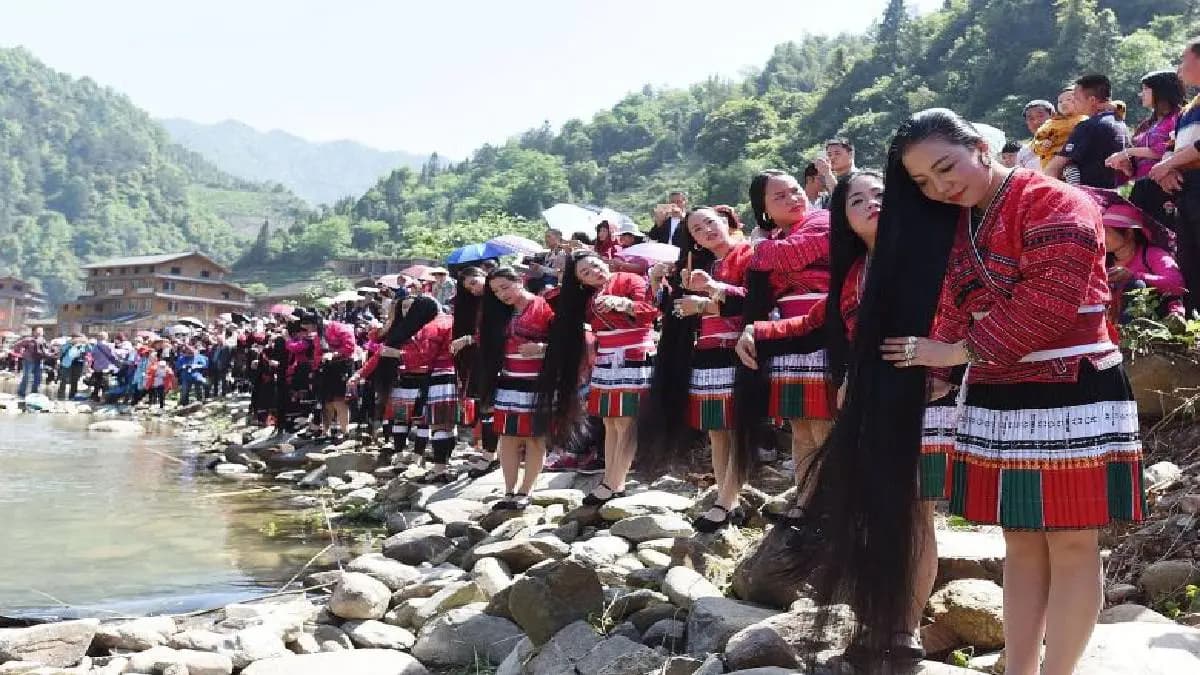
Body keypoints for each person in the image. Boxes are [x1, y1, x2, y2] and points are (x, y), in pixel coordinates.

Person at [865, 109, 1143, 675]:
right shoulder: (959, 220)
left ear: (980, 147)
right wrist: (935, 366)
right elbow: (951, 303)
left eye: (946, 167)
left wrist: (955, 353)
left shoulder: (1057, 201)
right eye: (923, 182)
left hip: (1072, 382)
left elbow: (1051, 300)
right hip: (1000, 388)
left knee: (1071, 543)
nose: (940, 187)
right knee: (1021, 543)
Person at [736, 170, 951, 661]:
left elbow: (960, 309)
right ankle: (881, 615)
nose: (873, 202)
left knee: (917, 514)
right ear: (843, 219)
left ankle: (904, 629)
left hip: (925, 400)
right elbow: (818, 319)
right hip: (871, 403)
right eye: (858, 199)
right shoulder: (855, 272)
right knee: (879, 513)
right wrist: (757, 331)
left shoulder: (930, 251)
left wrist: (949, 363)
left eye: (882, 194)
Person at [643, 205, 752, 531]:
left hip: (738, 349)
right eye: (697, 230)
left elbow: (757, 299)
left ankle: (726, 500)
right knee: (717, 432)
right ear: (695, 242)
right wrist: (655, 281)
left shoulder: (751, 254)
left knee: (734, 429)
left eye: (709, 223)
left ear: (726, 221)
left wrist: (706, 298)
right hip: (705, 352)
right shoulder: (700, 265)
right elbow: (675, 311)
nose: (706, 231)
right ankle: (727, 496)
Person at [736, 170, 832, 527]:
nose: (793, 197)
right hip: (786, 335)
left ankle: (827, 502)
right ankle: (805, 498)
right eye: (780, 196)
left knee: (824, 423)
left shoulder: (824, 220)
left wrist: (760, 249)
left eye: (794, 190)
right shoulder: (775, 238)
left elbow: (794, 255)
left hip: (823, 329)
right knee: (801, 426)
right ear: (765, 210)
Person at [538, 250, 658, 506]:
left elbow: (649, 310)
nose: (594, 271)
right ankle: (612, 478)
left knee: (625, 421)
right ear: (581, 281)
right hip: (606, 357)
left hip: (633, 352)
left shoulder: (629, 279)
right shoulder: (586, 297)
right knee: (610, 421)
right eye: (585, 272)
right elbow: (551, 302)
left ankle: (614, 482)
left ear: (603, 261)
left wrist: (624, 304)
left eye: (594, 264)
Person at [476, 267, 555, 510]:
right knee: (508, 437)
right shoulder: (501, 312)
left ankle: (526, 490)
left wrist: (541, 348)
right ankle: (509, 491)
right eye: (496, 291)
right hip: (509, 380)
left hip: (537, 381)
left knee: (534, 438)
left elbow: (566, 341)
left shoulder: (544, 306)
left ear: (520, 281)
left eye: (505, 287)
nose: (502, 294)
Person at [378, 296, 458, 482]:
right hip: (451, 375)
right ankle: (442, 466)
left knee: (437, 425)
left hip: (437, 376)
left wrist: (397, 354)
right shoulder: (451, 320)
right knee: (447, 425)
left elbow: (423, 356)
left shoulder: (431, 327)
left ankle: (439, 468)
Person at [1146, 38, 1200, 310]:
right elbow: (1171, 144)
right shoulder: (1191, 108)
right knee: (1189, 260)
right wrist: (1168, 168)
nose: (1180, 68)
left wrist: (1169, 165)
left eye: (1184, 59)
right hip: (1186, 189)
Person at [448, 267, 498, 478]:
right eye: (468, 287)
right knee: (486, 407)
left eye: (474, 282)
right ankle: (489, 453)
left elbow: (498, 331)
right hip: (483, 359)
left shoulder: (499, 299)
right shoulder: (477, 304)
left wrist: (469, 339)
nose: (473, 289)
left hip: (501, 358)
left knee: (493, 406)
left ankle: (492, 453)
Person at [1102, 199, 1186, 319]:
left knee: (1137, 284)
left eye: (1107, 232)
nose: (1101, 236)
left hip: (1154, 322)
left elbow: (1177, 284)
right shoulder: (1102, 260)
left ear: (1129, 233)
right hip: (1113, 326)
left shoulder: (1153, 255)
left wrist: (1133, 276)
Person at [1044, 74, 1131, 188]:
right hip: (1112, 195)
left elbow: (1053, 169)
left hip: (1088, 197)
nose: (1073, 101)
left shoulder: (1089, 126)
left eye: (1076, 98)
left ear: (1092, 100)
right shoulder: (1120, 124)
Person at [1106, 71, 1186, 183]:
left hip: (1168, 186)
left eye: (1146, 89)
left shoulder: (1179, 117)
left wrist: (1128, 152)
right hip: (1143, 185)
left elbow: (1168, 150)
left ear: (1161, 91)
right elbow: (1137, 164)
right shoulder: (1146, 125)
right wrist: (1127, 167)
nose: (1141, 94)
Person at [299, 312, 357, 443]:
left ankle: (344, 431)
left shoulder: (340, 328)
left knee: (339, 401)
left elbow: (350, 347)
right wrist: (313, 371)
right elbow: (317, 353)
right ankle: (326, 431)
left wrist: (334, 354)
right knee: (326, 402)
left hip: (342, 367)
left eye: (309, 327)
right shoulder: (317, 336)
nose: (309, 331)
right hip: (325, 369)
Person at [1015, 100, 1054, 170]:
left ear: (1053, 116)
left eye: (1040, 116)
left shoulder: (1065, 143)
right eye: (1030, 118)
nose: (1036, 121)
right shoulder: (1023, 152)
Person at [14, 327, 47, 398]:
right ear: (34, 332)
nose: (40, 332)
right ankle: (21, 392)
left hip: (38, 361)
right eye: (39, 331)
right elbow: (17, 345)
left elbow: (45, 350)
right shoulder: (28, 339)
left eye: (41, 331)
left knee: (38, 378)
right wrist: (21, 353)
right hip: (29, 361)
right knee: (27, 377)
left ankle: (34, 393)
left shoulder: (43, 340)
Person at [56, 335, 88, 400]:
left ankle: (72, 395)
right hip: (66, 364)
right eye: (75, 338)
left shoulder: (82, 346)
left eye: (78, 338)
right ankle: (61, 396)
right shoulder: (67, 345)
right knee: (63, 380)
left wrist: (86, 342)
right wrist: (58, 360)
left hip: (78, 363)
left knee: (74, 380)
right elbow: (61, 352)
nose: (76, 340)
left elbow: (88, 352)